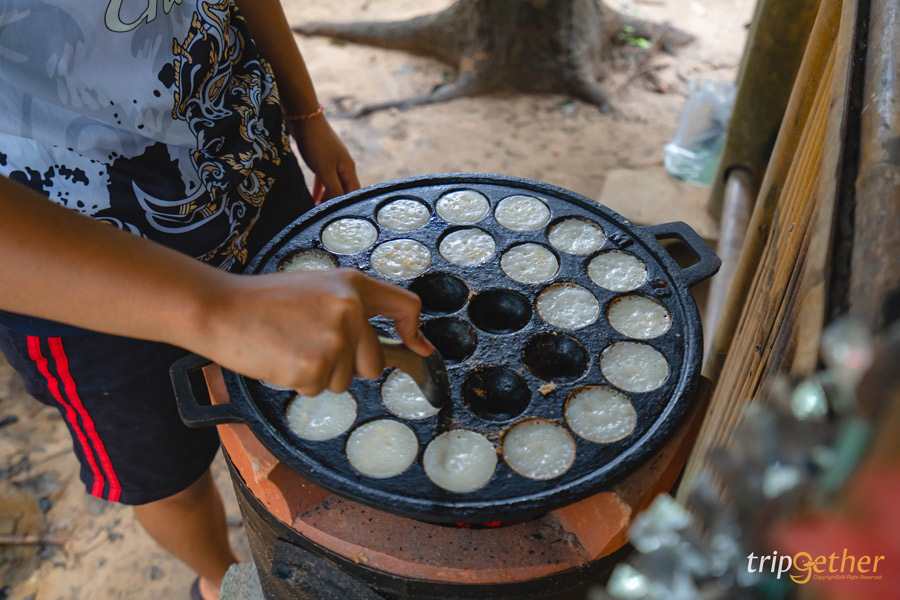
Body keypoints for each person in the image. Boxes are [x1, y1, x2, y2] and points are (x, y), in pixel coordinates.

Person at [0, 1, 433, 598]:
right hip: (72, 261)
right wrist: (217, 309)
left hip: (240, 152)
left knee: (313, 396)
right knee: (162, 473)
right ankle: (219, 578)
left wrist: (306, 113)